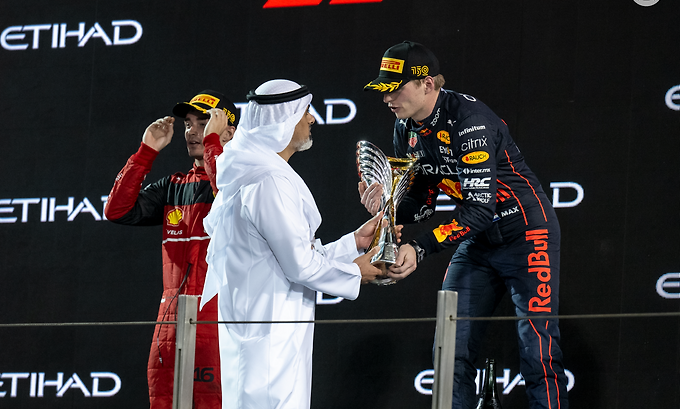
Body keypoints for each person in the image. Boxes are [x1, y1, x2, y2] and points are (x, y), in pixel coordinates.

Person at [360, 41, 569, 409]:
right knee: (449, 352)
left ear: (427, 84)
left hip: (526, 233)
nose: (387, 98)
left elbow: (478, 210)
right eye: (383, 89)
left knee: (538, 351)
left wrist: (420, 247)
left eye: (395, 88)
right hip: (479, 239)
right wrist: (387, 207)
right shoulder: (405, 128)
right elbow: (423, 206)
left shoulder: (469, 121)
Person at [200, 79, 384, 409]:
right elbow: (298, 265)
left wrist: (352, 243)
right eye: (305, 112)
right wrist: (355, 273)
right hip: (268, 339)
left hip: (273, 334)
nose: (312, 120)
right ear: (282, 122)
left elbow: (288, 256)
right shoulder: (267, 180)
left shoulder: (255, 172)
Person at [104, 90, 238, 409]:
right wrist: (147, 152)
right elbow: (117, 210)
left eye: (204, 122)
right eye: (189, 123)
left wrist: (213, 146)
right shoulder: (174, 186)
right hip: (170, 326)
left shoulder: (245, 182)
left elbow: (228, 190)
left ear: (228, 131)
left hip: (222, 324)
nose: (191, 131)